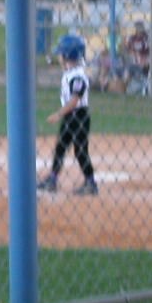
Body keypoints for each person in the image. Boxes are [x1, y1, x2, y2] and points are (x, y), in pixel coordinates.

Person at [37, 34, 98, 196]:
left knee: (80, 151)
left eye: (60, 53)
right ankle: (52, 179)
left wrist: (58, 114)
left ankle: (91, 183)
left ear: (67, 56)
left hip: (79, 116)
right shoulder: (70, 72)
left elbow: (74, 101)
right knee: (60, 147)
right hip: (71, 116)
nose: (58, 56)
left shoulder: (78, 76)